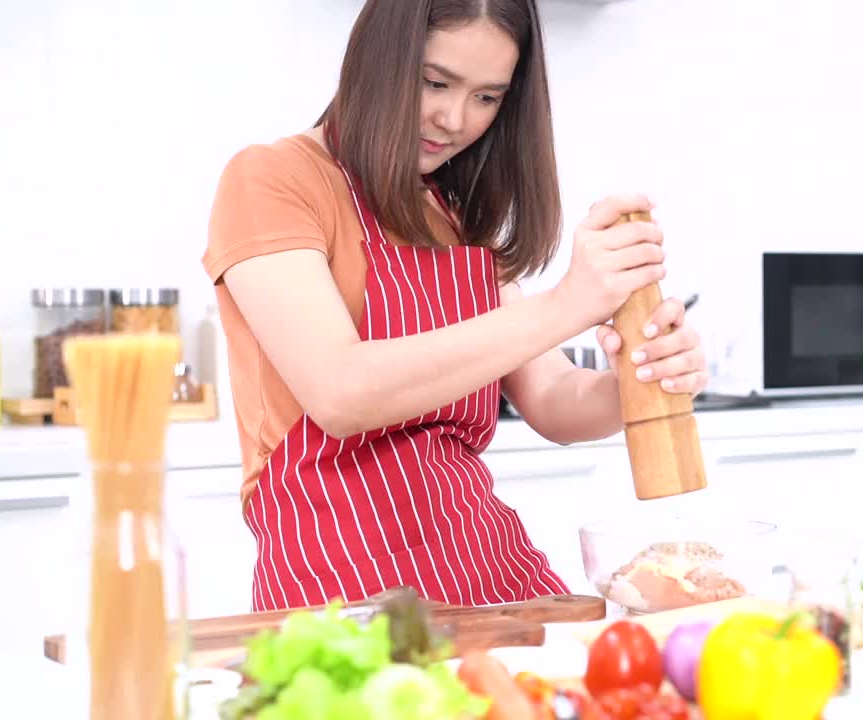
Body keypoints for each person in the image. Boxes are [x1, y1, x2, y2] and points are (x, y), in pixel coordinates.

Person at [202, 0, 708, 611]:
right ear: (379, 57)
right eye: (434, 82)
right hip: (343, 585)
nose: (453, 118)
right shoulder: (273, 179)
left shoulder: (454, 214)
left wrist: (643, 378)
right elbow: (341, 392)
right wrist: (569, 302)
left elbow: (553, 400)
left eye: (487, 97)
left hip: (490, 568)